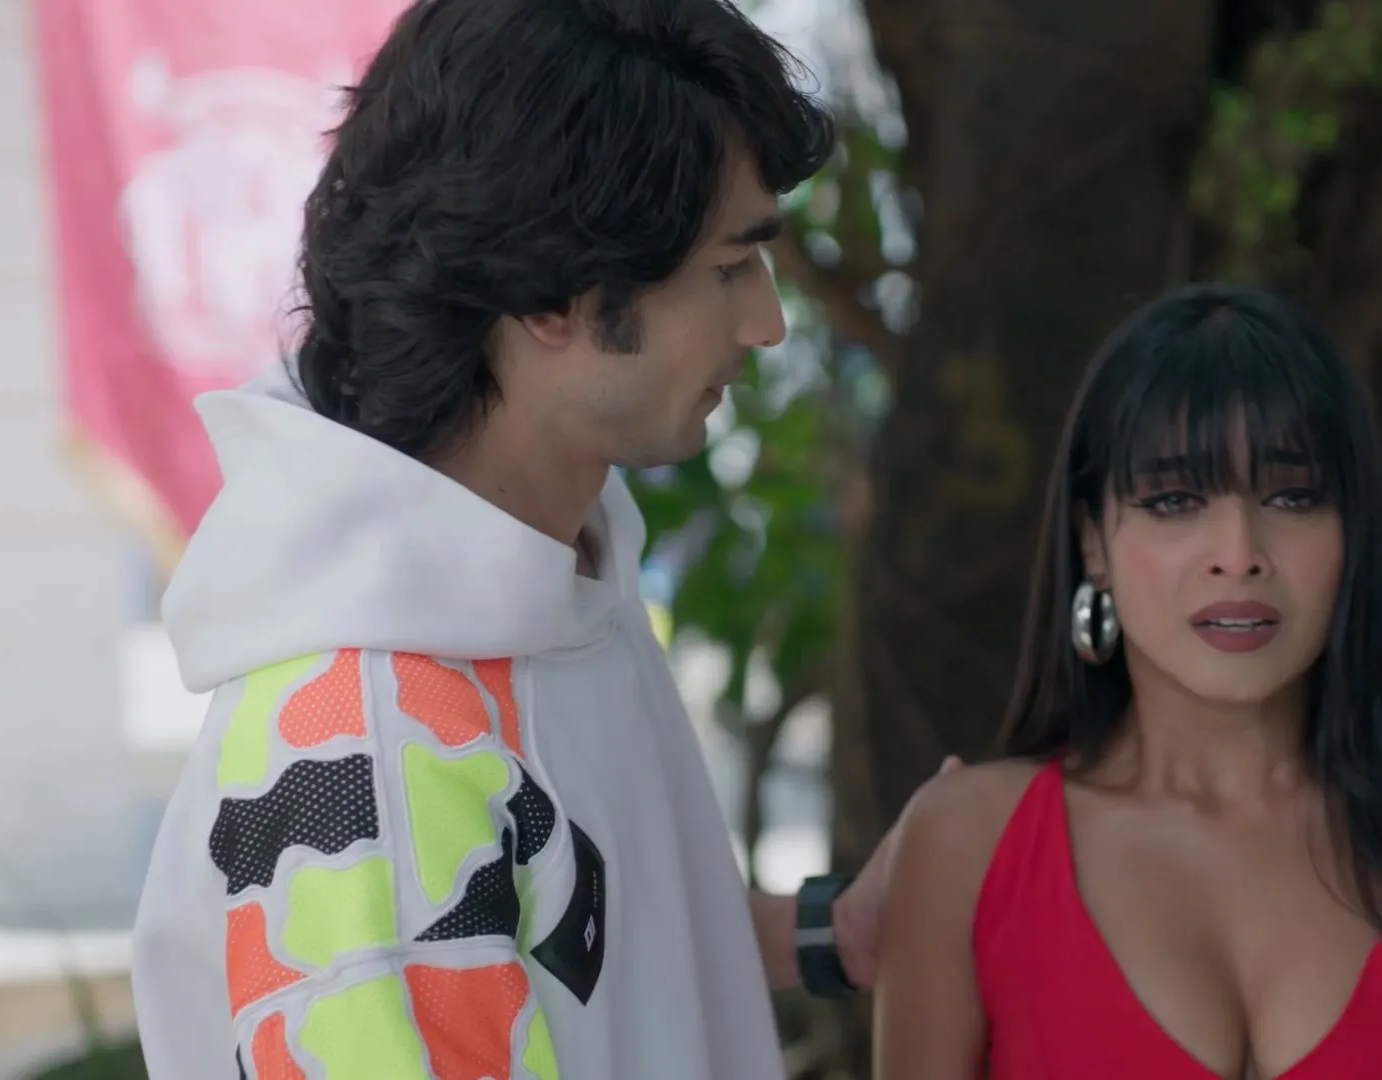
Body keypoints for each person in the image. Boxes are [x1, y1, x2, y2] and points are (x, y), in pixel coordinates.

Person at [131, 2, 942, 1077]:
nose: (768, 324)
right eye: (729, 268)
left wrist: (833, 933)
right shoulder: (371, 743)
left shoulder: (539, 572)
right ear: (551, 294)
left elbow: (583, 946)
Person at [874, 285, 1382, 1080]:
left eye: (1293, 496)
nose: (1238, 554)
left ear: (1355, 531)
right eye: (1175, 500)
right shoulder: (967, 844)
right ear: (1092, 541)